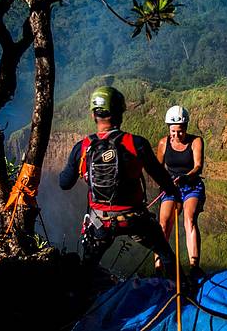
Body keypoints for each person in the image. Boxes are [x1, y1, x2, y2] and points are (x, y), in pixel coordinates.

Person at [58, 86, 181, 279]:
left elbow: (64, 183)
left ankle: (83, 300)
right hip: (135, 219)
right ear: (120, 114)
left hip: (101, 222)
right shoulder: (136, 143)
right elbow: (162, 179)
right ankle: (182, 290)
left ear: (93, 115)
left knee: (86, 269)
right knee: (165, 254)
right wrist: (175, 193)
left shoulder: (82, 147)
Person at [155, 105, 206, 280]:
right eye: (173, 132)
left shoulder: (196, 141)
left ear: (186, 128)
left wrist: (185, 177)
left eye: (180, 131)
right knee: (163, 223)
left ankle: (194, 266)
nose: (177, 135)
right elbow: (157, 169)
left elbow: (198, 166)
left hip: (191, 185)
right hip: (171, 187)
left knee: (189, 218)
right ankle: (159, 268)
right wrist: (165, 183)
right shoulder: (163, 143)